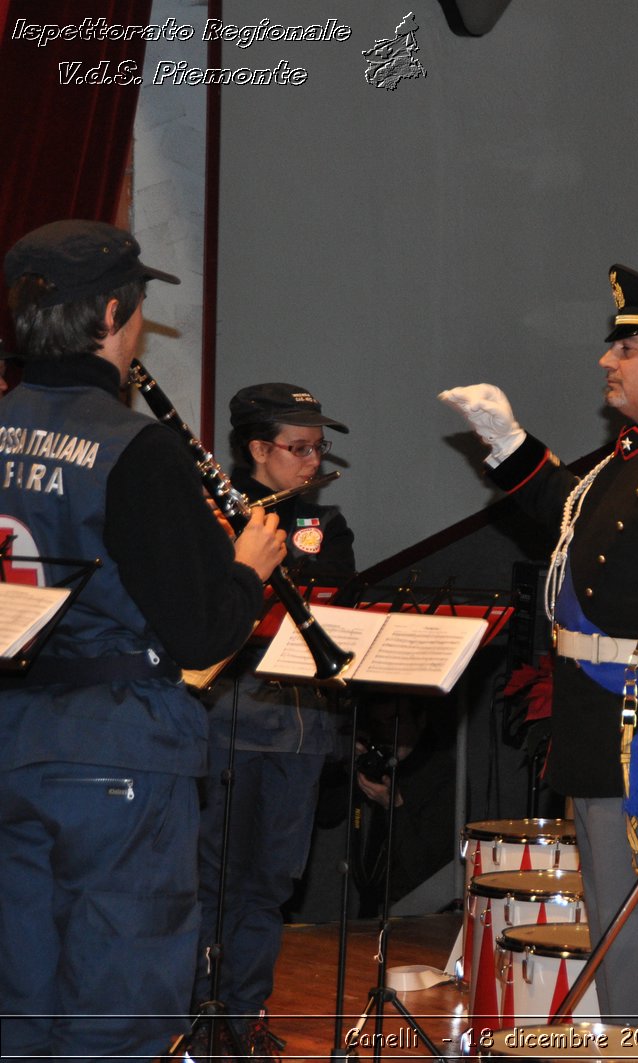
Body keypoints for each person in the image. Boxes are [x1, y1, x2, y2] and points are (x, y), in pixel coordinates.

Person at [440, 265, 638, 1034]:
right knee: (617, 935)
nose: (606, 359)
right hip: (602, 724)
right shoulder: (637, 453)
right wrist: (509, 445)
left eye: (627, 345)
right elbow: (571, 517)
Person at [0, 220, 285, 1059]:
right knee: (115, 1005)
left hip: (12, 741)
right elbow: (200, 631)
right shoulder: (136, 448)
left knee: (18, 996)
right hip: (115, 752)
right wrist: (250, 566)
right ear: (115, 314)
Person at [191, 383, 354, 1043]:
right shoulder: (208, 514)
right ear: (258, 449)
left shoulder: (325, 527)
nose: (313, 460)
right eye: (299, 447)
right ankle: (199, 1010)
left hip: (299, 727)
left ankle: (245, 1007)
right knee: (210, 878)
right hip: (221, 723)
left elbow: (337, 607)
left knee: (272, 880)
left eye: (319, 448)